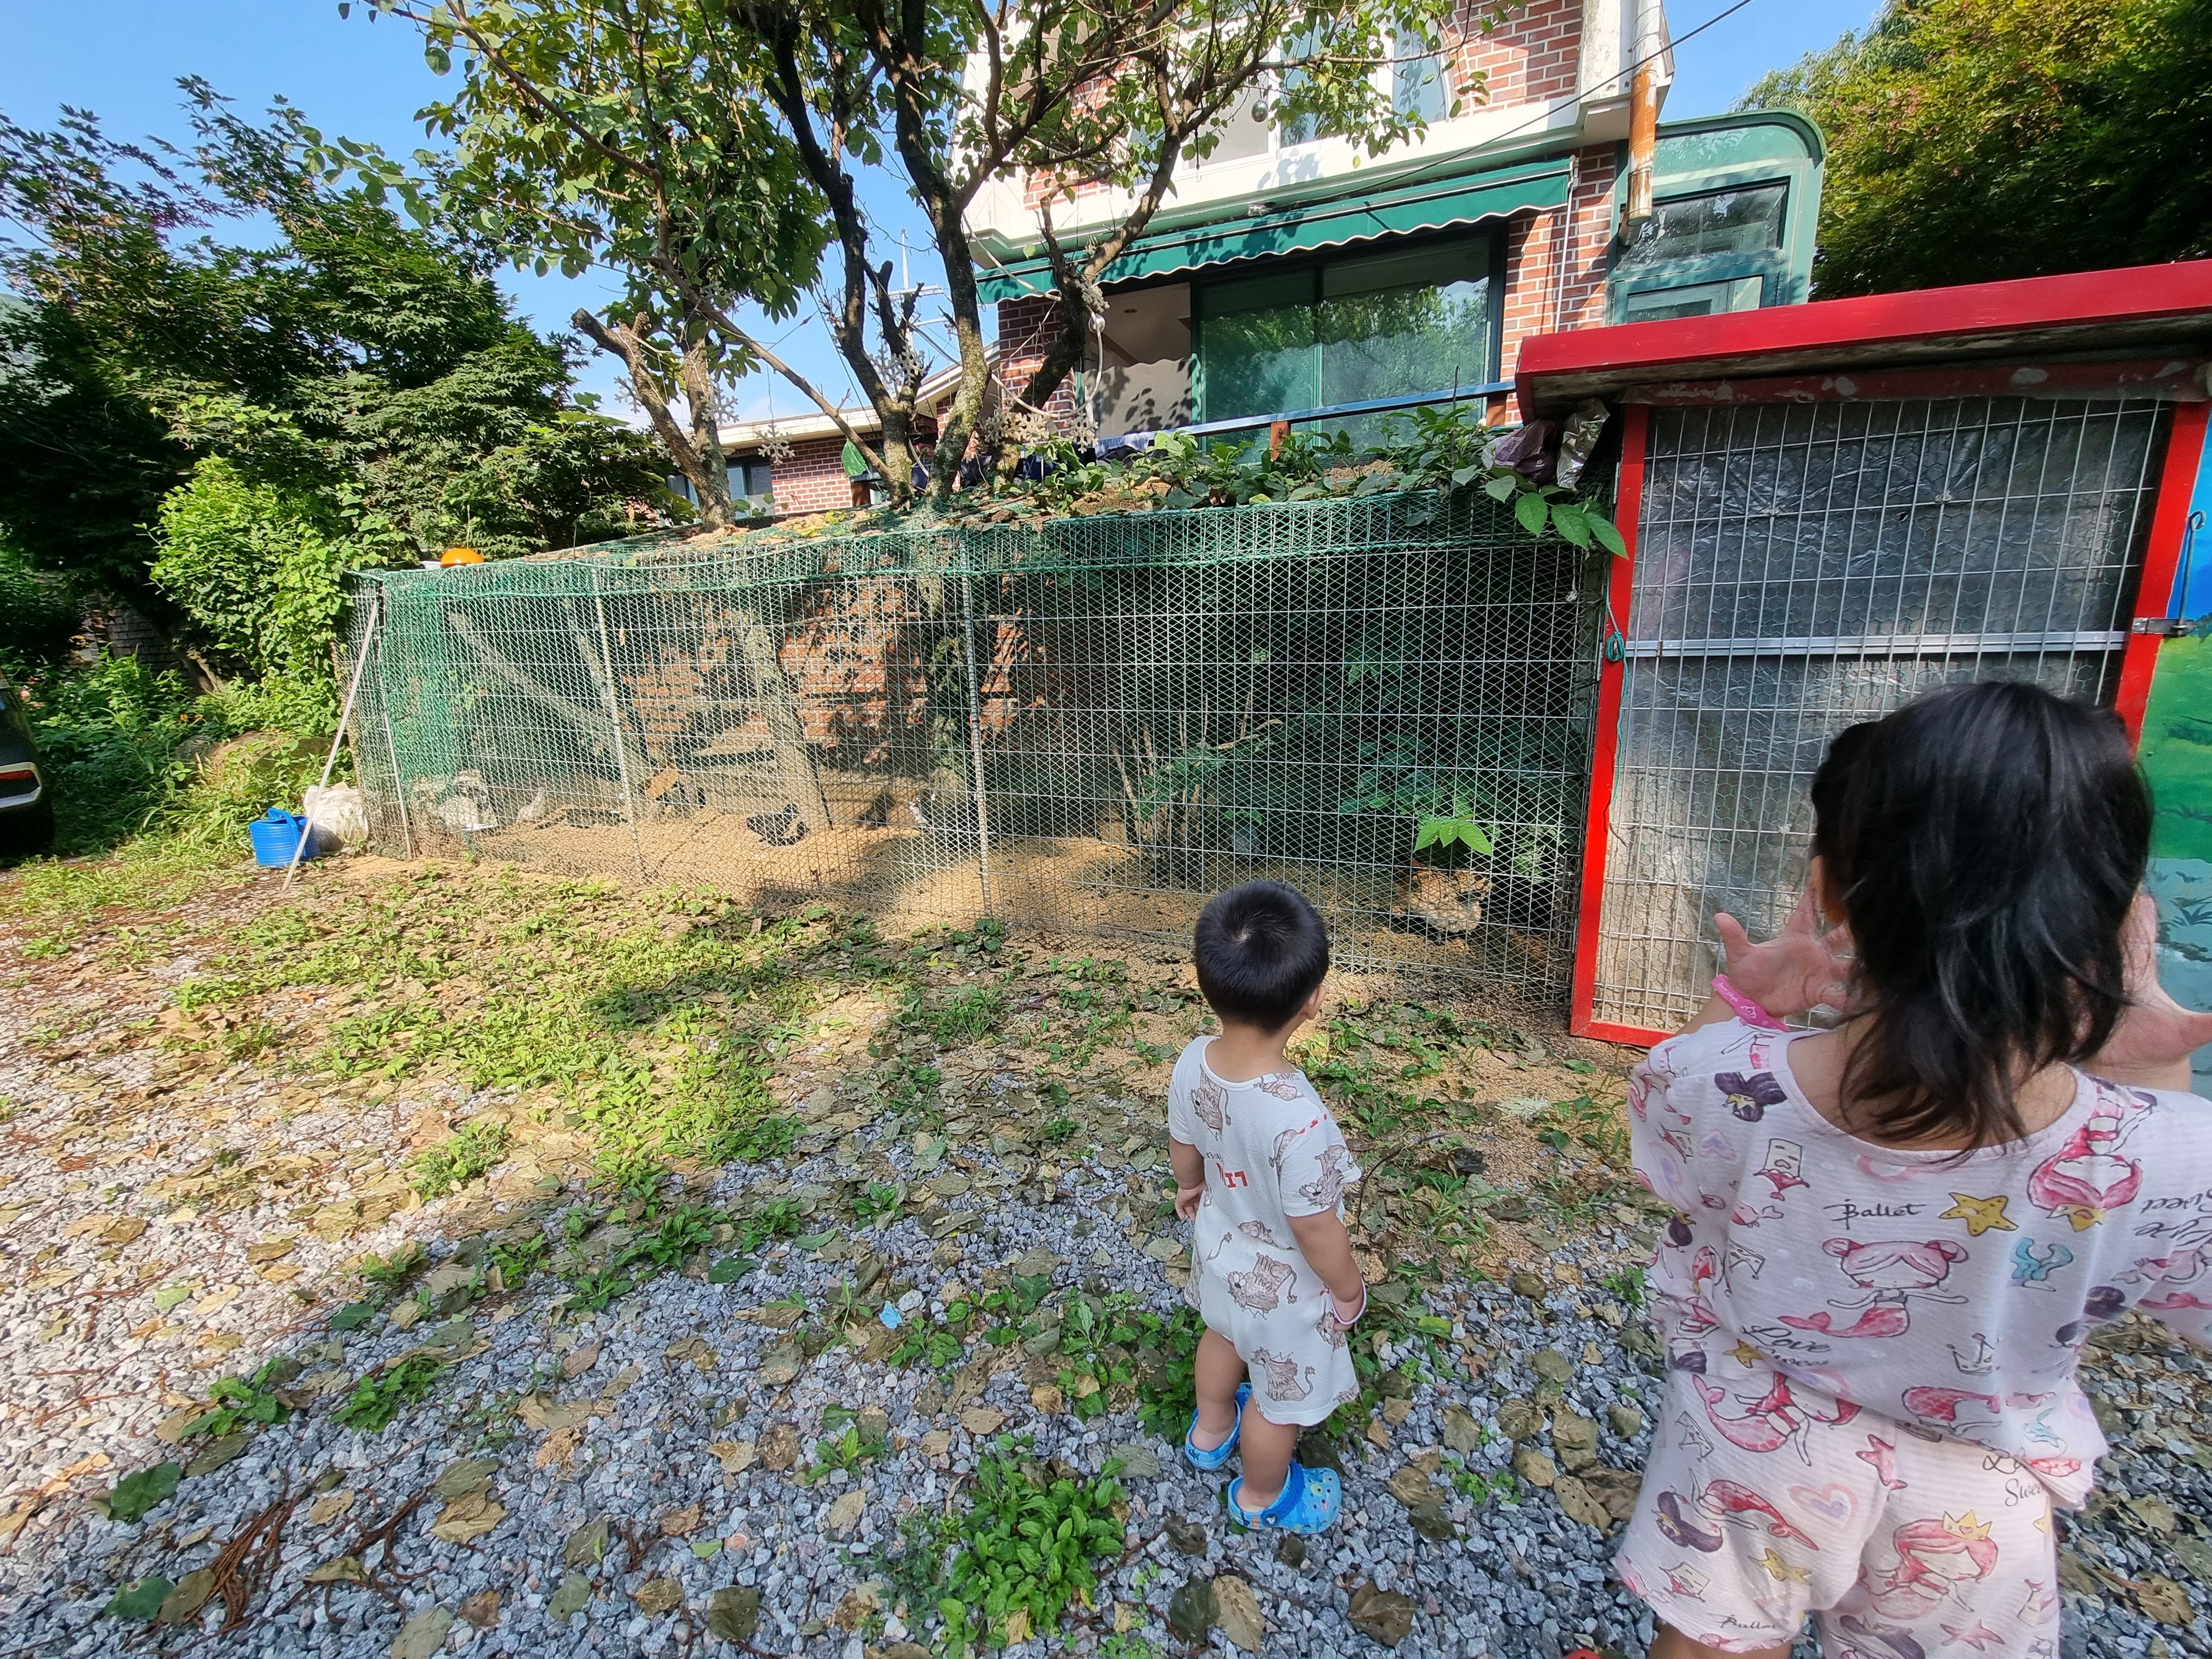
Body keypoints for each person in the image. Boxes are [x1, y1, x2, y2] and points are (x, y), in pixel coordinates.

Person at [1617, 681, 2212, 1659]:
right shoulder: (2166, 1148)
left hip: (1753, 1435)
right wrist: (2144, 1056)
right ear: (2112, 920)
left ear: (1834, 892)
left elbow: (1674, 1156)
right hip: (1977, 1486)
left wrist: (1747, 999)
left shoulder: (1716, 1080)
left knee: (1716, 1637)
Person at [1168, 879, 1369, 1532]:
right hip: (1285, 1296)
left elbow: (1183, 1141)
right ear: (1311, 1001)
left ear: (1207, 982)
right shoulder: (1300, 1121)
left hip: (1220, 1250)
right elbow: (1315, 1226)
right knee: (1280, 1405)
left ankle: (1210, 1431)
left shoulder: (1193, 1060)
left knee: (1222, 1334)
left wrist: (1190, 1188)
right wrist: (1347, 1290)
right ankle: (1262, 1496)